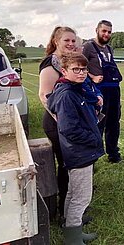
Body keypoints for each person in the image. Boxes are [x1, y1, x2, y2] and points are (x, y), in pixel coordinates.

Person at [47, 53, 104, 244]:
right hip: (79, 152)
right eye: (76, 69)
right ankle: (72, 239)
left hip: (79, 151)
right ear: (64, 71)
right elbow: (69, 129)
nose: (81, 73)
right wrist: (93, 139)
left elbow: (88, 103)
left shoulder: (76, 89)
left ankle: (72, 228)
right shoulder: (67, 95)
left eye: (84, 69)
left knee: (72, 192)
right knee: (82, 197)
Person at [39, 26, 76, 220]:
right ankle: (65, 214)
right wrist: (63, 122)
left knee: (70, 166)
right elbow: (45, 96)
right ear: (56, 41)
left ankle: (70, 211)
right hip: (57, 125)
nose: (71, 44)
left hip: (67, 123)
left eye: (73, 41)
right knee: (65, 166)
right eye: (66, 41)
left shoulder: (64, 61)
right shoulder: (50, 63)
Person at [83, 20, 123, 163]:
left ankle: (113, 153)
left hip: (114, 90)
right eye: (104, 31)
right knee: (98, 122)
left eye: (109, 32)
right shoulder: (88, 47)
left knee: (114, 122)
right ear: (97, 30)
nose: (106, 34)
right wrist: (92, 77)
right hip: (99, 91)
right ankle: (94, 155)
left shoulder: (109, 49)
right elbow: (77, 66)